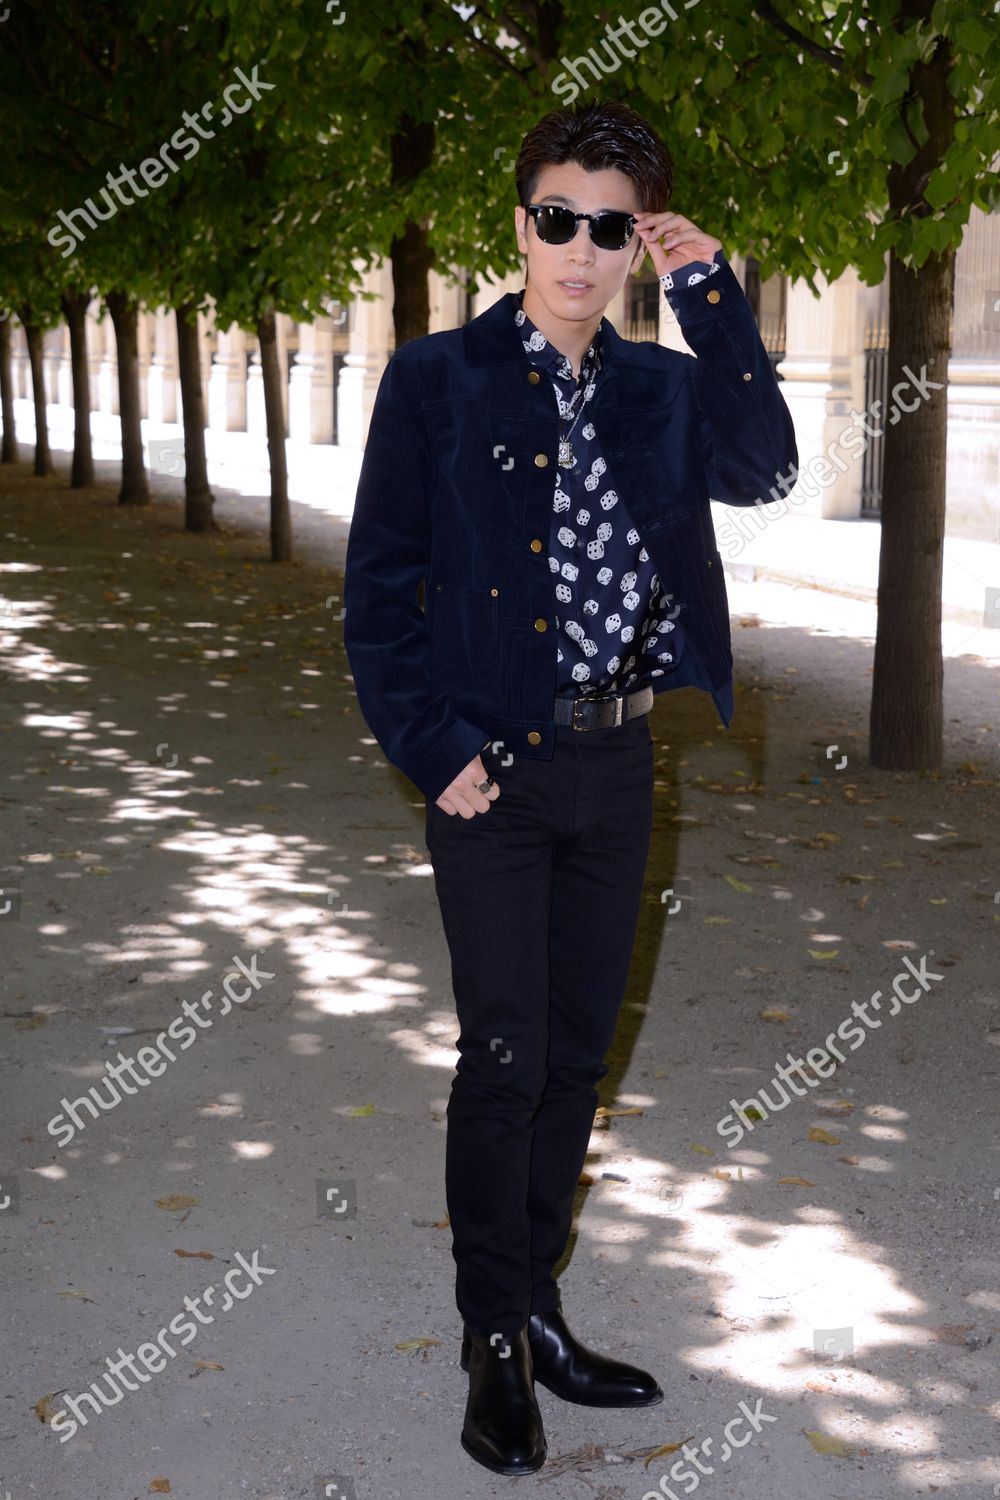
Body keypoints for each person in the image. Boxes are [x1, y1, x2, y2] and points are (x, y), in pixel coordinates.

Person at [343, 99, 797, 1477]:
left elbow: (765, 466)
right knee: (505, 1057)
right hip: (493, 768)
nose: (582, 252)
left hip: (617, 760)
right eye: (559, 219)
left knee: (577, 1062)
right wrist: (437, 752)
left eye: (612, 228)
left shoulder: (664, 386)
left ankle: (536, 1305)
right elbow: (379, 597)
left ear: (634, 242)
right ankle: (491, 1335)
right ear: (520, 221)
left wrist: (711, 298)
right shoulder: (437, 380)